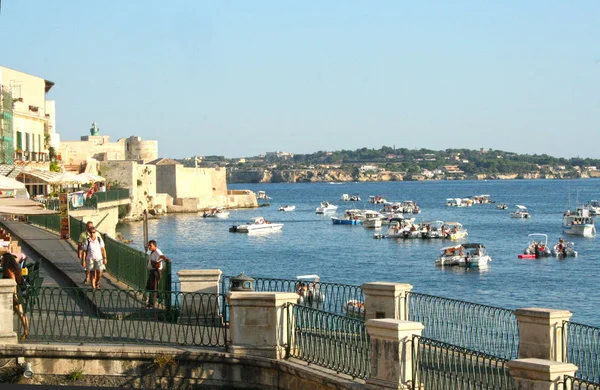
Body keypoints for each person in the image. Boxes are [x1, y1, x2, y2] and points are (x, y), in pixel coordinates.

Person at [2, 253, 29, 339]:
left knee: (21, 313)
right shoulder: (15, 269)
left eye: (2, 259)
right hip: (17, 293)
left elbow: (13, 282)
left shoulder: (9, 271)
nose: (1, 261)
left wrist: (15, 295)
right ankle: (26, 331)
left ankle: (26, 331)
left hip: (13, 295)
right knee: (21, 314)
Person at [145, 240, 170, 308]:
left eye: (150, 245)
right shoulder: (153, 252)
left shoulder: (157, 252)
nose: (149, 247)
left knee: (154, 288)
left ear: (154, 245)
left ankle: (152, 303)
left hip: (156, 272)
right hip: (152, 271)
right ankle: (156, 297)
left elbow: (162, 256)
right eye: (149, 245)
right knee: (150, 287)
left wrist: (166, 259)